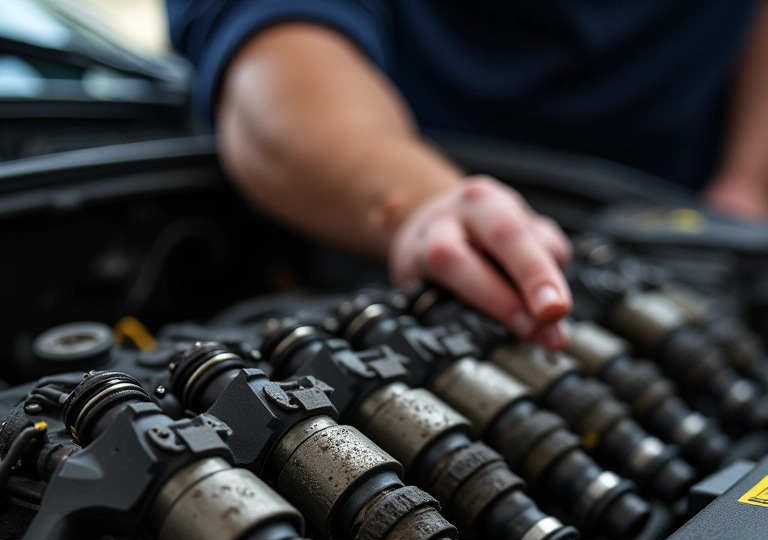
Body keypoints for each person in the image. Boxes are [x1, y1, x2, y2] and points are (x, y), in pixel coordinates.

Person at [165, 1, 768, 349]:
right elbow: (275, 57)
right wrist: (422, 204)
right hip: (379, 232)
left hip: (688, 225)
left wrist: (749, 183)